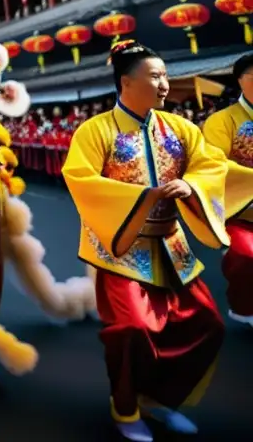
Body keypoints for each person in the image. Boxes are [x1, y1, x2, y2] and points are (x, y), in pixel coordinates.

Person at [62, 40, 228, 442]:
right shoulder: (95, 131)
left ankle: (158, 398)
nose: (164, 84)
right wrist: (142, 198)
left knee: (208, 323)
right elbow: (81, 180)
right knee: (132, 330)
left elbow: (212, 165)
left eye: (166, 75)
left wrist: (191, 185)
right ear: (126, 81)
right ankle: (125, 407)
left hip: (172, 246)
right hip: (122, 250)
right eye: (155, 76)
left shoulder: (181, 129)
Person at [201, 52, 253, 327]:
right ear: (241, 81)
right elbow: (216, 164)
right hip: (241, 212)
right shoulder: (221, 121)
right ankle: (244, 307)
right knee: (246, 256)